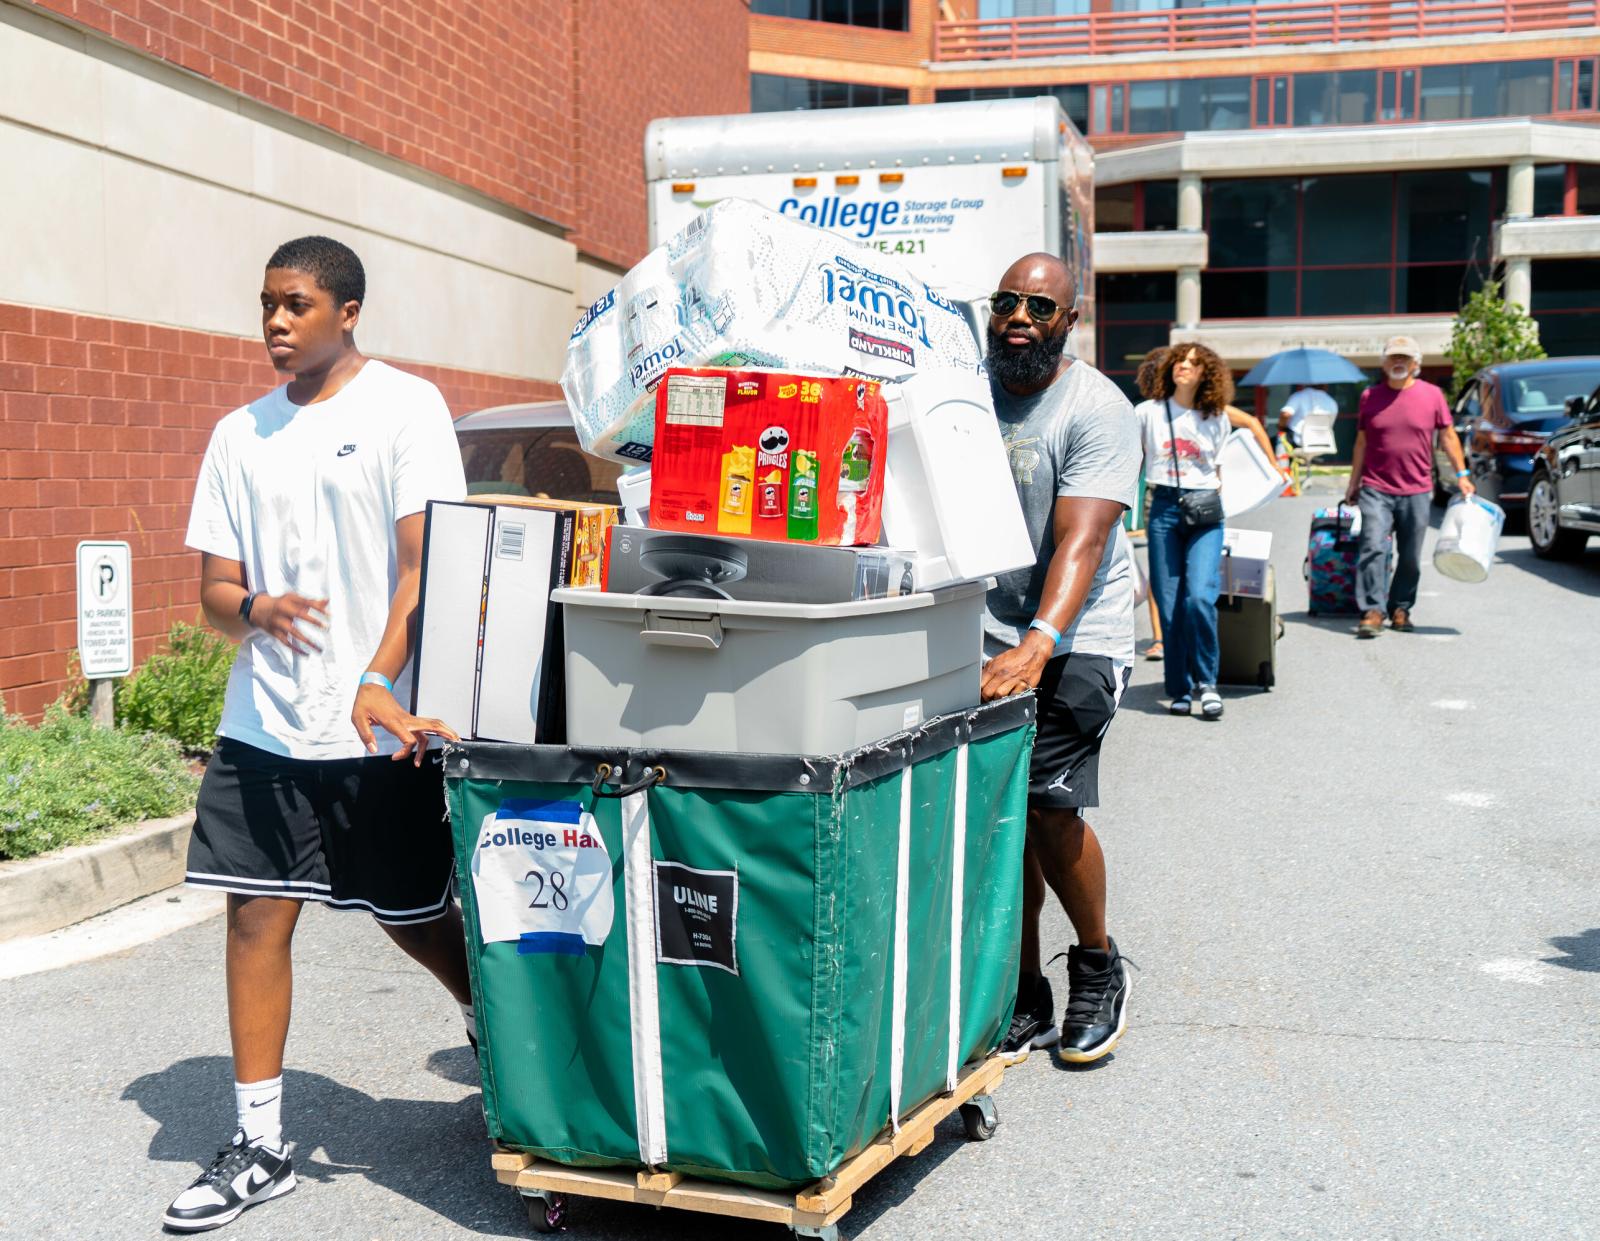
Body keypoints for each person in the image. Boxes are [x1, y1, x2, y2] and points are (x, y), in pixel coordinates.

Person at [164, 237, 473, 1232]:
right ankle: (260, 1143)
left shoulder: (406, 408)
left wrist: (379, 675)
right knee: (255, 914)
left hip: (375, 721)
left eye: (294, 303)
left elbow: (428, 568)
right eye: (265, 304)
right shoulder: (237, 434)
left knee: (414, 912)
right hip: (262, 725)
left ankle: (500, 1038)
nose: (274, 322)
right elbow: (211, 592)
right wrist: (254, 606)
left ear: (347, 311)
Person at [978, 253, 1140, 1066]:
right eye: (1007, 301)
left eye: (1039, 307)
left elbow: (1085, 536)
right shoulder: (965, 389)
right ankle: (1021, 989)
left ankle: (1099, 965)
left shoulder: (1097, 407)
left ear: (1068, 320)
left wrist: (1040, 640)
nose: (1018, 318)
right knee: (993, 815)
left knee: (1046, 802)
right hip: (983, 631)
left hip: (1080, 633)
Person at [1135, 345, 1277, 720]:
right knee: (1169, 604)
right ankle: (1179, 688)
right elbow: (1133, 462)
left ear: (1206, 373)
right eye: (1181, 360)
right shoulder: (1147, 413)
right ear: (1170, 368)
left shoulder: (1216, 417)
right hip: (1163, 507)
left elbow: (1219, 468)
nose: (1185, 366)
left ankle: (1208, 682)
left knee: (1199, 597)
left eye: (1195, 363)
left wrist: (1272, 470)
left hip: (1205, 510)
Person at [1344, 335, 1475, 638]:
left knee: (1411, 555)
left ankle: (1401, 607)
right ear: (1384, 362)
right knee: (1373, 546)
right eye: (1393, 357)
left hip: (1416, 488)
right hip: (1376, 486)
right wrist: (1354, 483)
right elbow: (1362, 441)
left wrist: (1462, 475)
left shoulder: (1432, 395)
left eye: (1404, 357)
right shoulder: (1369, 397)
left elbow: (1448, 437)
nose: (1398, 362)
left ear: (1416, 363)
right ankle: (1373, 610)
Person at [1278, 383, 1337, 448]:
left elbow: (1285, 415)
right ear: (1325, 386)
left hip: (1297, 441)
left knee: (1273, 442)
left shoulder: (1299, 396)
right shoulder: (1332, 402)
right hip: (1323, 443)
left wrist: (1281, 427)